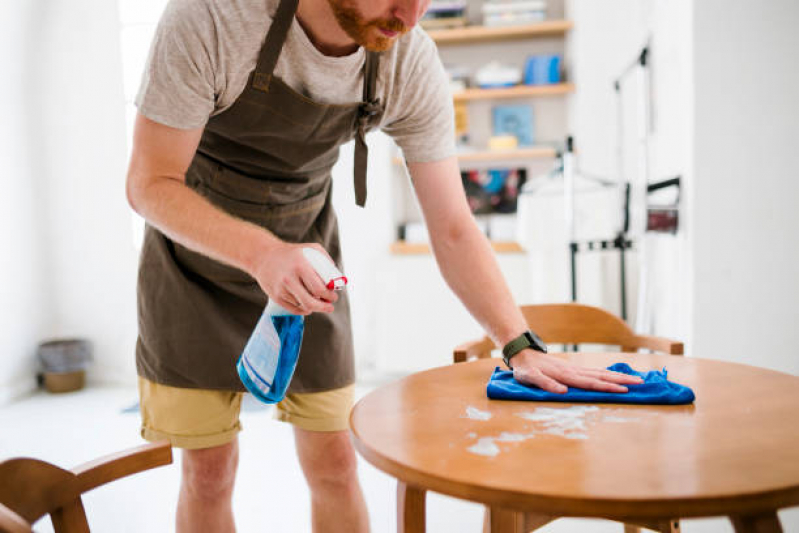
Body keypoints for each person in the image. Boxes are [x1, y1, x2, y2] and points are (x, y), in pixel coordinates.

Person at [125, 0, 643, 531]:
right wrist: (263, 254)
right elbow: (149, 184)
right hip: (193, 270)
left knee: (336, 462)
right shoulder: (212, 18)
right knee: (208, 472)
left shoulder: (407, 58)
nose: (411, 16)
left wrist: (518, 345)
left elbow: (454, 227)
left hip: (310, 272)